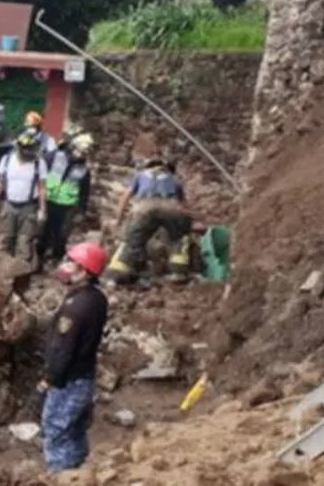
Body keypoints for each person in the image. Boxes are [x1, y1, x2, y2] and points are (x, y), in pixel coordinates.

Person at [39, 243, 110, 474]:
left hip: (68, 381)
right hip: (85, 377)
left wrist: (50, 378)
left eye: (71, 263)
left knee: (56, 430)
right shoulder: (97, 298)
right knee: (76, 431)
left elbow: (63, 349)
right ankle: (81, 473)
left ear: (85, 272)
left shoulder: (75, 308)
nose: (65, 267)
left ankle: (63, 476)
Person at [107, 158, 194, 286]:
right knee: (178, 239)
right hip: (172, 207)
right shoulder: (174, 179)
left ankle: (121, 273)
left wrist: (118, 220)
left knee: (133, 241)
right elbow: (184, 205)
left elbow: (126, 196)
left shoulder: (140, 175)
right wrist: (190, 223)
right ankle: (178, 273)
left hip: (144, 208)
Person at [0, 130, 49, 261]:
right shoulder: (7, 160)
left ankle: (21, 273)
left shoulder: (39, 163)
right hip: (9, 204)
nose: (29, 152)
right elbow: (0, 181)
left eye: (31, 149)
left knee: (25, 240)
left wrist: (42, 210)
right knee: (6, 238)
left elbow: (42, 188)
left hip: (28, 207)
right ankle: (1, 270)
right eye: (26, 149)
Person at [37, 133, 94, 264]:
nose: (83, 154)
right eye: (82, 150)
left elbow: (85, 192)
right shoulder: (55, 156)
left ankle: (56, 258)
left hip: (67, 205)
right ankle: (39, 258)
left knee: (62, 234)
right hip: (49, 200)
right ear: (74, 147)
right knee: (43, 232)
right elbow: (40, 174)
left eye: (86, 152)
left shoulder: (84, 169)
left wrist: (81, 210)